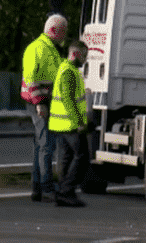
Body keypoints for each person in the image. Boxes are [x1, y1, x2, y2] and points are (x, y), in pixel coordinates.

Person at [21, 14, 67, 202]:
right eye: (63, 31)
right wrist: (39, 102)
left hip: (43, 101)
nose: (65, 36)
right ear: (54, 31)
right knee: (46, 145)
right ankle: (47, 187)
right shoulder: (39, 48)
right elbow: (32, 77)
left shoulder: (50, 49)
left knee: (41, 145)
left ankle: (37, 188)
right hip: (39, 102)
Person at [48, 40, 89, 207]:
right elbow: (68, 100)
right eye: (84, 55)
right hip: (69, 124)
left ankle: (63, 192)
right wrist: (78, 122)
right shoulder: (69, 72)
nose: (85, 59)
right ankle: (66, 191)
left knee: (66, 158)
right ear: (75, 54)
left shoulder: (68, 69)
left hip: (63, 123)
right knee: (82, 157)